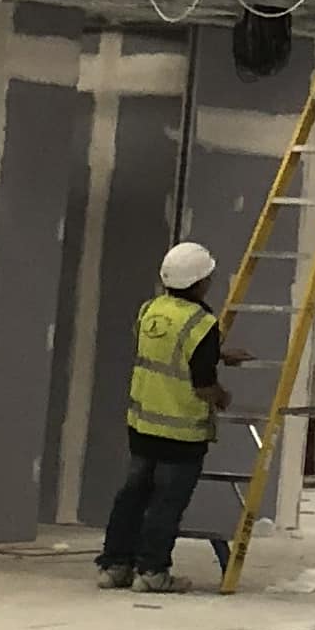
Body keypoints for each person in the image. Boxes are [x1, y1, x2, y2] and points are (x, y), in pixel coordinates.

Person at [96, 242, 238, 590]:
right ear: (201, 282)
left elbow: (168, 352)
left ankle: (115, 565)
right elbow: (203, 384)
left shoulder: (150, 311)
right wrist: (222, 398)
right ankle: (152, 572)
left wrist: (216, 353)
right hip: (181, 433)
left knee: (132, 496)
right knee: (166, 503)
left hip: (143, 424)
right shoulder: (202, 322)